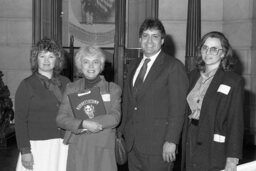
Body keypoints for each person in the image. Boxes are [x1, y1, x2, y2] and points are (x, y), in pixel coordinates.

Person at [118, 18, 189, 171]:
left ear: (162, 40)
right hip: (132, 143)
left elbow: (178, 109)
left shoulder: (173, 67)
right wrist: (120, 132)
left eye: (155, 36)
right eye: (145, 36)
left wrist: (171, 140)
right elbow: (128, 103)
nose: (149, 41)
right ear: (139, 39)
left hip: (159, 145)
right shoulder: (133, 65)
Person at [181, 31, 244, 171]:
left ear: (223, 53)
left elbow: (235, 122)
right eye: (205, 47)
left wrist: (232, 160)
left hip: (214, 147)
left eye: (214, 49)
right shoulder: (192, 76)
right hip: (191, 139)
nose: (208, 52)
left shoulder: (233, 81)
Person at [56, 45, 122, 171]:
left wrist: (93, 123)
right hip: (78, 147)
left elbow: (115, 117)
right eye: (86, 62)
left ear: (101, 66)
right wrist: (83, 124)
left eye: (95, 62)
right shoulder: (71, 88)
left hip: (102, 149)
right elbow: (61, 118)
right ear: (80, 66)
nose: (91, 66)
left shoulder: (113, 89)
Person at [15, 38, 70, 171]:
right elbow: (20, 121)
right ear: (36, 59)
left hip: (62, 144)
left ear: (57, 60)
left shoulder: (66, 82)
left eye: (51, 56)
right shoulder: (26, 85)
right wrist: (25, 151)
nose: (46, 60)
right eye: (42, 56)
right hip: (37, 146)